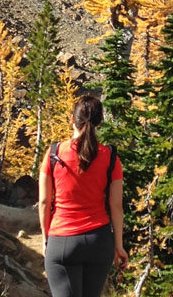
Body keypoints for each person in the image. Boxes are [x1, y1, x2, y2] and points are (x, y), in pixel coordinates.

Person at [39, 93, 128, 297]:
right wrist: (119, 245)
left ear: (72, 119)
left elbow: (44, 202)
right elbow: (116, 206)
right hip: (99, 240)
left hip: (62, 240)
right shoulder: (111, 157)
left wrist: (46, 240)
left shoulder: (53, 154)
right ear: (99, 123)